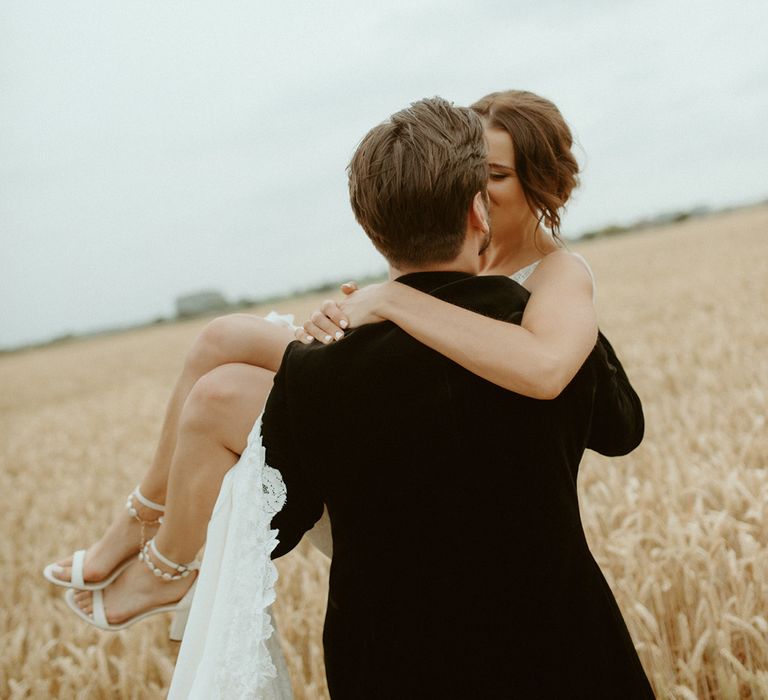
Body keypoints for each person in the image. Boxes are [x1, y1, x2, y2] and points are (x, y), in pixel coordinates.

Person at [45, 90, 644, 680]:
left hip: (451, 450)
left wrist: (394, 303)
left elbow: (547, 372)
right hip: (413, 431)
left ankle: (165, 565)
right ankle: (143, 522)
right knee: (218, 344)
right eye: (471, 172)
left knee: (225, 393)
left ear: (540, 184)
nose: (479, 187)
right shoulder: (453, 252)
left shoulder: (557, 273)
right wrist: (348, 327)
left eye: (493, 174)